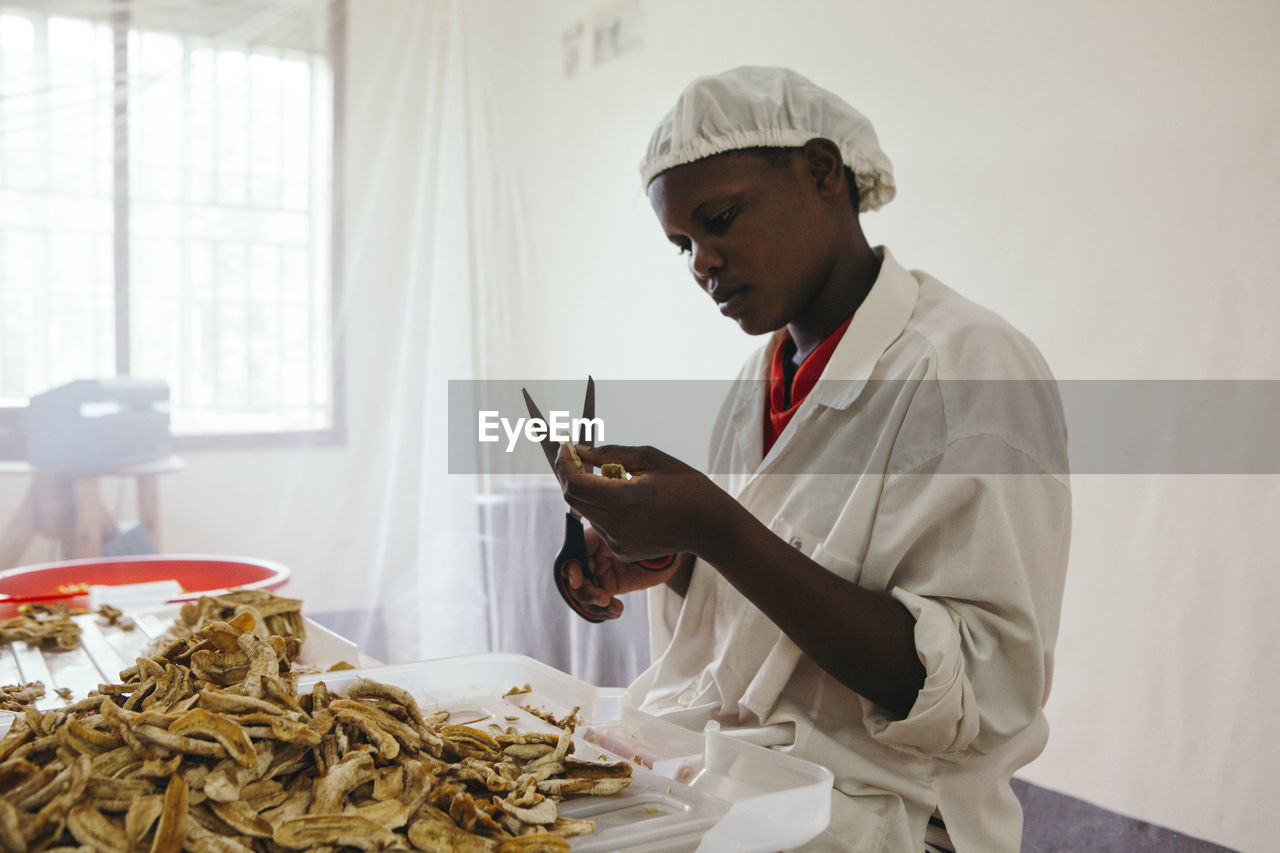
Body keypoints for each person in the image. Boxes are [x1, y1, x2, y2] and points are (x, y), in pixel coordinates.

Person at [551, 66, 1071, 852]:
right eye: (683, 243)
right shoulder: (761, 378)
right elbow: (776, 592)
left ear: (823, 171)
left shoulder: (965, 365)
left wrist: (716, 528)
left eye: (721, 218)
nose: (702, 263)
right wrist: (671, 556)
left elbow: (976, 692)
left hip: (882, 817)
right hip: (734, 779)